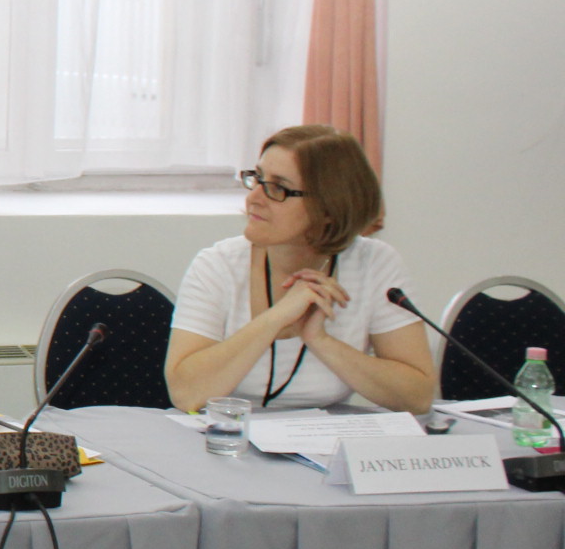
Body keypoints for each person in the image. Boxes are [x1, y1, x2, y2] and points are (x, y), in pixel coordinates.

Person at [164, 125, 433, 415]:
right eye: (257, 179)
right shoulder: (217, 265)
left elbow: (417, 397)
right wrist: (275, 319)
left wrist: (320, 340)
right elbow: (186, 394)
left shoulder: (374, 264)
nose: (254, 198)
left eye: (278, 188)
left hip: (328, 437)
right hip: (228, 433)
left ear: (329, 207)